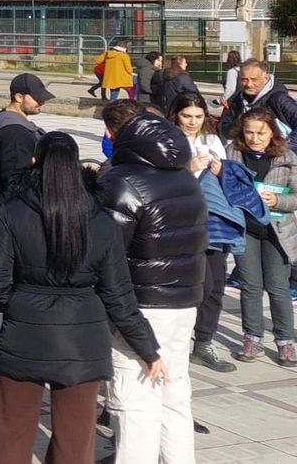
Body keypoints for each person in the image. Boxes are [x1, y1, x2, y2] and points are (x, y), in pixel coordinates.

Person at [0, 132, 165, 464]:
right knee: (76, 438)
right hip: (83, 339)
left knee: (10, 430)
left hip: (24, 334)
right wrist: (148, 349)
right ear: (78, 167)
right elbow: (119, 296)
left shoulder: (13, 211)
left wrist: (15, 303)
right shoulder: (102, 220)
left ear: (35, 162)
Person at [96, 111, 209, 463]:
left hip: (140, 306)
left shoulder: (122, 182)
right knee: (175, 396)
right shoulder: (186, 179)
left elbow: (106, 250)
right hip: (184, 302)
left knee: (135, 403)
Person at [176, 91, 259, 373]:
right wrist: (188, 169)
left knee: (214, 285)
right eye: (186, 116)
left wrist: (221, 170)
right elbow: (160, 182)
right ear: (176, 114)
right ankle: (177, 342)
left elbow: (229, 182)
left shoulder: (211, 140)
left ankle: (204, 343)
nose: (192, 122)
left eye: (198, 116)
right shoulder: (167, 139)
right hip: (181, 223)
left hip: (213, 223)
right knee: (195, 286)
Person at [225, 108, 297, 366]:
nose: (255, 138)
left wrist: (278, 199)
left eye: (261, 133)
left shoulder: (287, 157)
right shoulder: (232, 154)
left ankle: (285, 342)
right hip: (245, 229)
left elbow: (296, 197)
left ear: (273, 133)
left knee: (278, 288)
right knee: (250, 286)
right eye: (249, 132)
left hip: (277, 232)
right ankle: (252, 337)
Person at [0, 74, 52, 222]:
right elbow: (16, 180)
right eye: (37, 98)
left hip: (4, 209)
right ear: (19, 97)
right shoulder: (15, 133)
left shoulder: (3, 119)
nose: (42, 102)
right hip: (12, 213)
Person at [219, 59, 297, 141]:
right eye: (244, 80)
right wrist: (239, 124)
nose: (249, 84)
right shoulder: (236, 99)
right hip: (247, 151)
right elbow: (224, 129)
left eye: (254, 79)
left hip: (278, 151)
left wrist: (287, 149)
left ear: (266, 78)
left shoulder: (279, 99)